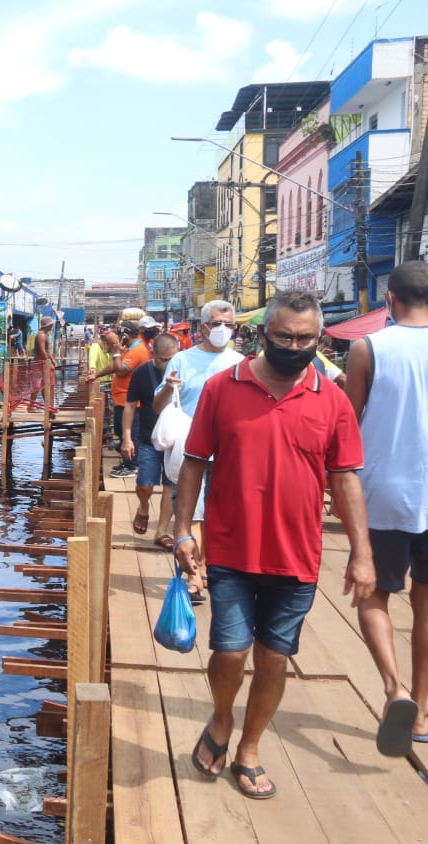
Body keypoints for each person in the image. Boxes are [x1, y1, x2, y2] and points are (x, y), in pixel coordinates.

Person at [177, 291, 374, 799]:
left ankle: (249, 747)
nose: (294, 346)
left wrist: (362, 553)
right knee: (229, 651)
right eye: (284, 336)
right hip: (230, 549)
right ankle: (222, 718)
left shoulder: (332, 399)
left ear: (319, 339)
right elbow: (195, 461)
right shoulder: (223, 387)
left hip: (297, 556)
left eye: (305, 338)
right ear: (263, 334)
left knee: (273, 657)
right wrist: (182, 531)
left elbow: (345, 478)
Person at [345, 259, 428, 755]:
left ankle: (394, 688)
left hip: (383, 492)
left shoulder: (367, 348)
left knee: (374, 592)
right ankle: (423, 708)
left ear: (389, 299)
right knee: (426, 603)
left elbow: (348, 421)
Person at [152, 300, 243, 548]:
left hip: (226, 452)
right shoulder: (181, 360)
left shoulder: (240, 363)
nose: (223, 329)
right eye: (217, 323)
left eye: (228, 325)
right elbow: (157, 406)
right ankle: (193, 565)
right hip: (188, 450)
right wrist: (169, 388)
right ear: (203, 327)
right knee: (189, 515)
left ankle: (207, 563)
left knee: (218, 515)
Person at [121, 332, 179, 553]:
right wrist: (127, 438)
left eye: (172, 358)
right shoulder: (142, 373)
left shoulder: (182, 371)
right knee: (145, 483)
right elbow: (129, 405)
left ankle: (161, 531)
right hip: (148, 437)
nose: (168, 363)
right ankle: (144, 507)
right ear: (154, 354)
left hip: (175, 440)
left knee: (170, 485)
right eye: (164, 359)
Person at [105, 320, 149, 477]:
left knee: (130, 434)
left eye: (119, 334)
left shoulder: (137, 350)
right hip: (122, 400)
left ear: (126, 335)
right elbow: (115, 366)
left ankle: (131, 465)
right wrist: (97, 374)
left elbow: (120, 370)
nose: (117, 338)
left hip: (129, 401)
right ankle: (128, 462)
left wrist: (117, 352)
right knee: (120, 430)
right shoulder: (130, 349)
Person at [26, 316, 57, 412]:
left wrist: (52, 360)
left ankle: (48, 406)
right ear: (47, 325)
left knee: (45, 385)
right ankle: (31, 406)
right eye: (51, 324)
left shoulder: (45, 334)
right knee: (37, 385)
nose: (52, 326)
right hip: (39, 363)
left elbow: (47, 351)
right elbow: (42, 351)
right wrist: (48, 362)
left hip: (43, 363)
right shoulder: (41, 335)